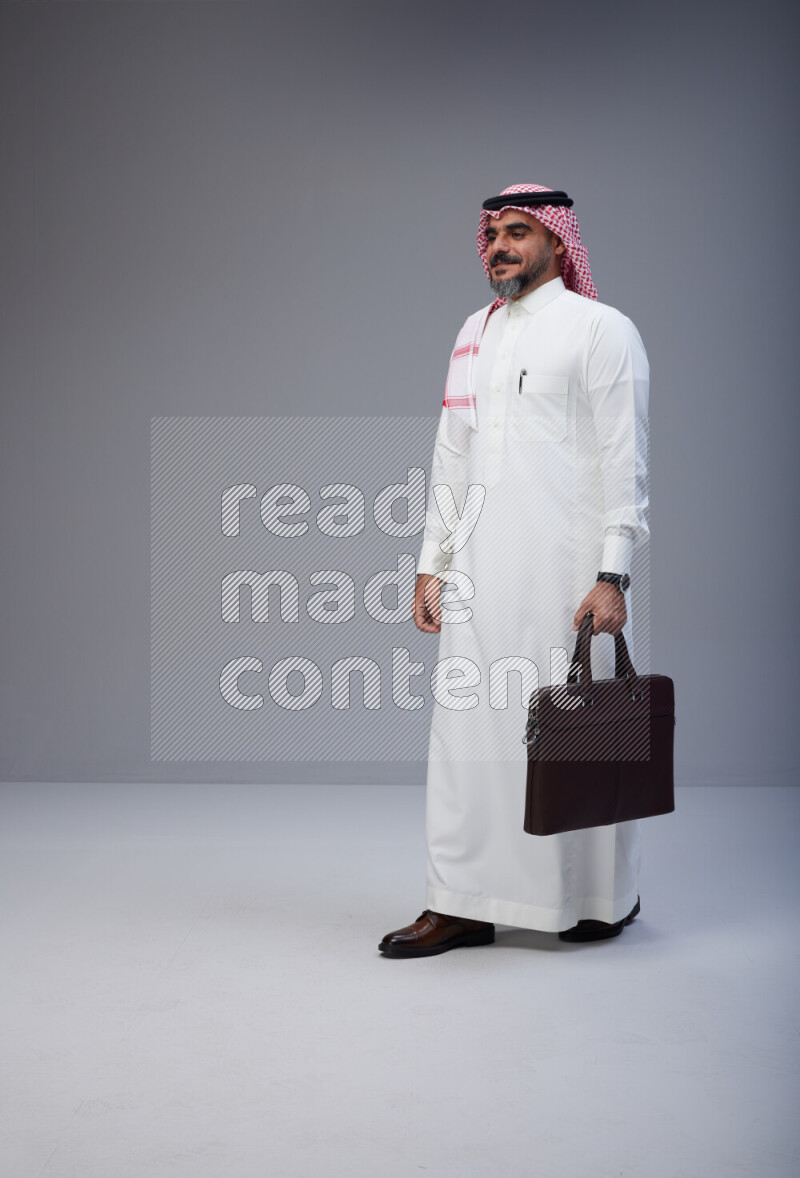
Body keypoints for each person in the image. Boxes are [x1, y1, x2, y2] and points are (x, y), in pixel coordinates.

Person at [379, 183, 650, 958]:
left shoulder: (602, 330)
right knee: (469, 739)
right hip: (480, 575)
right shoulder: (476, 331)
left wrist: (613, 575)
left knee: (584, 733)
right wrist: (432, 563)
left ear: (560, 244)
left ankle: (599, 898)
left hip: (571, 574)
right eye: (493, 232)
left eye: (519, 231)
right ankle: (461, 903)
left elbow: (624, 461)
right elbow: (452, 455)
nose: (500, 245)